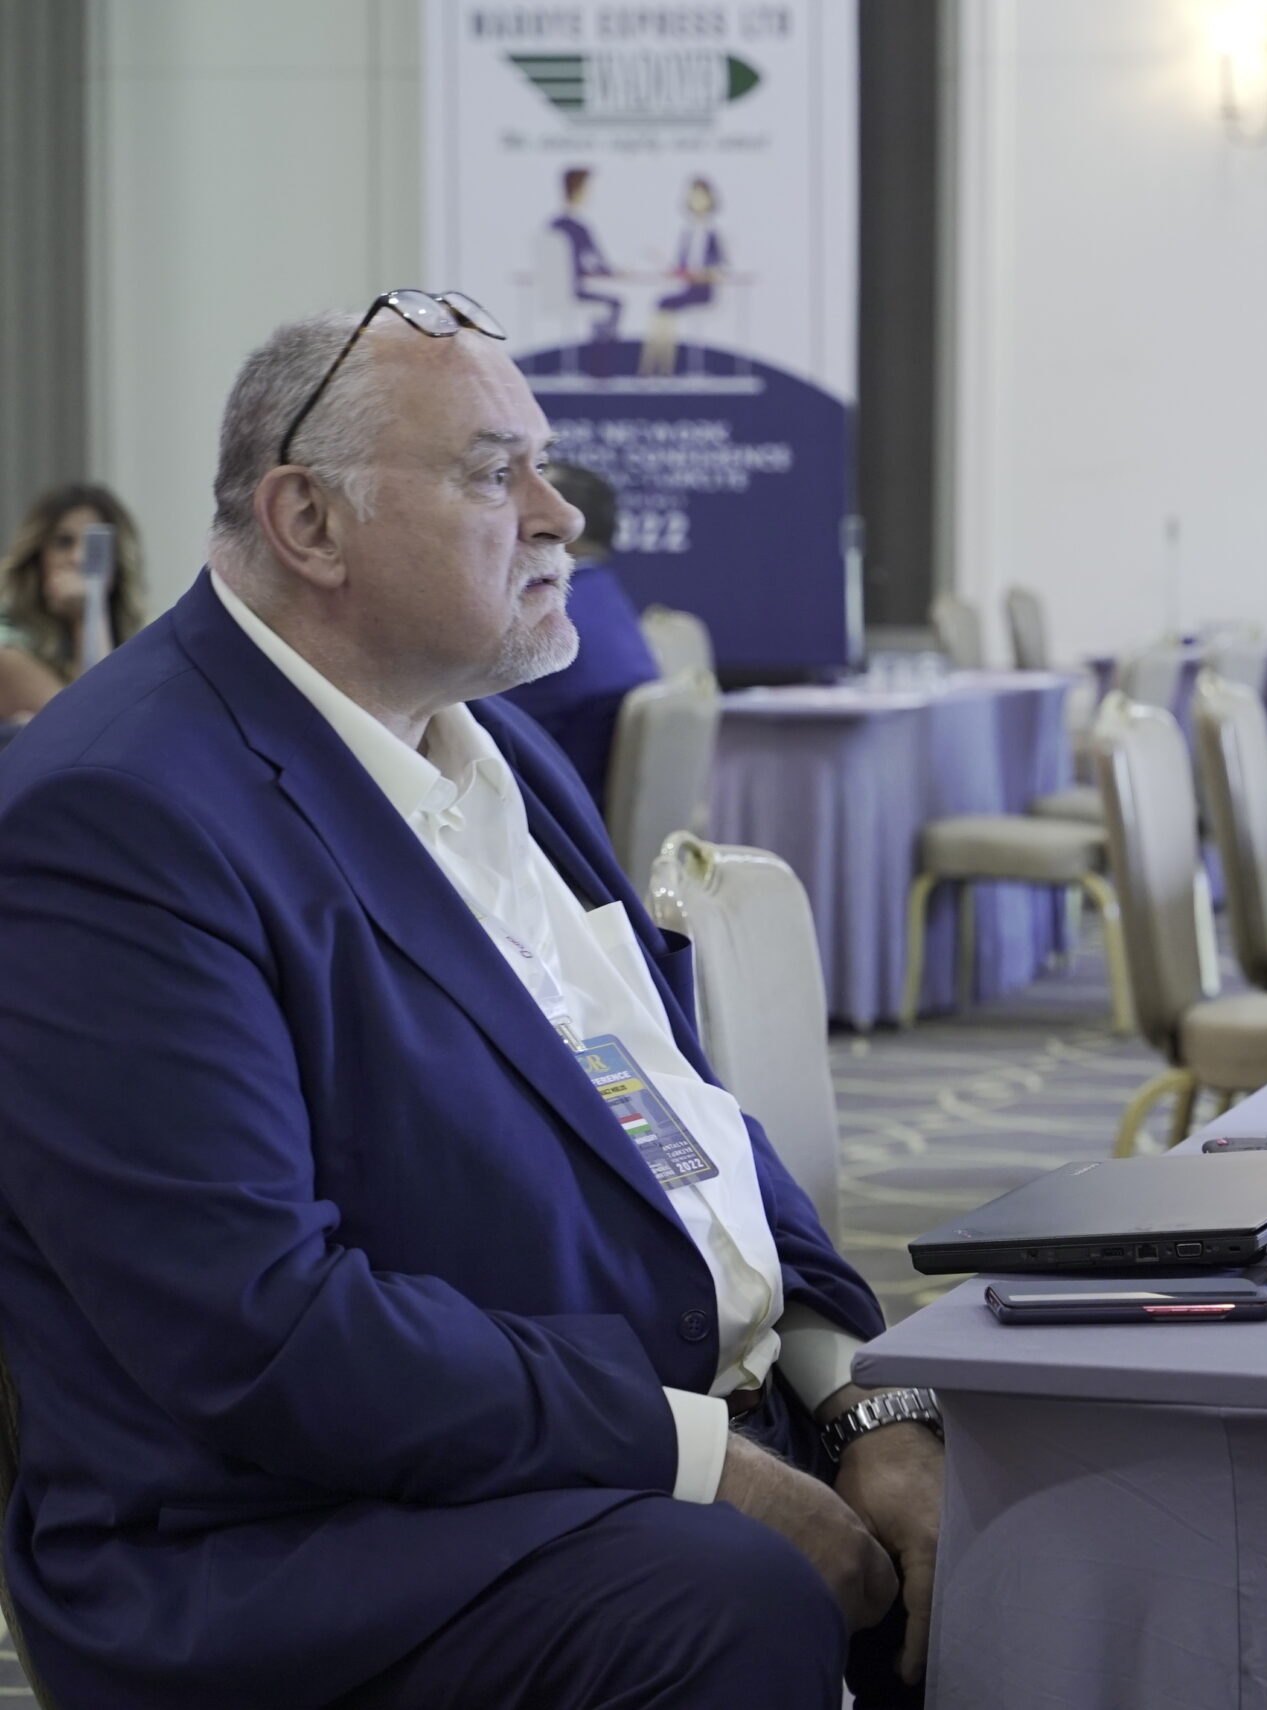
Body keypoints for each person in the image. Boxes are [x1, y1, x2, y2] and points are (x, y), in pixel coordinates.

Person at [0, 295, 941, 1710]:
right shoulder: (116, 817)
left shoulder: (490, 745)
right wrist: (694, 1458)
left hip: (621, 1425)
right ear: (310, 522)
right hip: (293, 1535)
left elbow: (683, 1115)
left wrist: (852, 1388)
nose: (563, 516)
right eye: (499, 474)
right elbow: (259, 1331)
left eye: (544, 466)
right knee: (728, 1596)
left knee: (1043, 1492)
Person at [499, 461, 664, 811]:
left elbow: (472, 726)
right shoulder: (600, 595)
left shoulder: (544, 614)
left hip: (537, 815)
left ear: (554, 528)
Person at [0, 482, 148, 719]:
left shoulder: (142, 647)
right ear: (38, 556)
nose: (78, 558)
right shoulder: (7, 646)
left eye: (94, 546)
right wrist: (86, 613)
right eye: (63, 542)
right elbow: (90, 722)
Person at [642, 177, 726, 377]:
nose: (697, 201)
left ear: (710, 200)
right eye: (693, 197)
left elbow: (720, 266)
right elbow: (682, 265)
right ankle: (655, 366)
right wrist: (671, 269)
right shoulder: (687, 233)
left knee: (666, 307)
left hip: (704, 291)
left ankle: (660, 368)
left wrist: (705, 273)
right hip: (688, 288)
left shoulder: (712, 233)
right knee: (661, 307)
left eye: (701, 197)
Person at [550, 166, 620, 346]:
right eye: (588, 189)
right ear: (578, 191)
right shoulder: (578, 228)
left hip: (557, 293)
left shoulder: (553, 225)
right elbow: (598, 262)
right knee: (615, 304)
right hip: (573, 292)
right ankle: (601, 352)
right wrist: (614, 272)